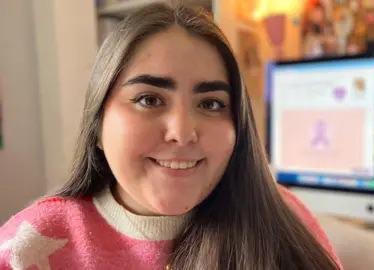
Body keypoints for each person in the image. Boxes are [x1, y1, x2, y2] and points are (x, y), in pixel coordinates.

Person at [0, 3, 342, 270]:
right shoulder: (29, 246)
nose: (181, 132)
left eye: (210, 103)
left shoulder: (287, 221)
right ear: (98, 126)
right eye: (149, 99)